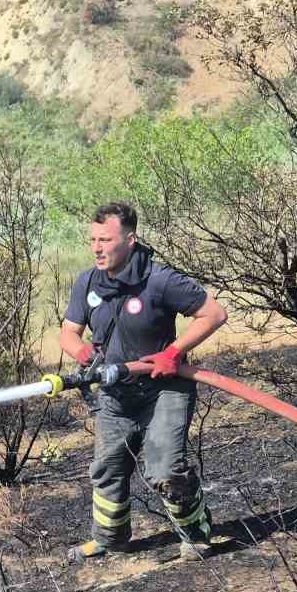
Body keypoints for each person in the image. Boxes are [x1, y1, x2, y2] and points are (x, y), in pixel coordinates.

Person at [57, 202, 228, 569]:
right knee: (108, 469)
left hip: (162, 389)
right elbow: (68, 334)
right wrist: (85, 354)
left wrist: (175, 351)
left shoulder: (160, 279)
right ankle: (110, 540)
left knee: (166, 469)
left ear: (130, 240)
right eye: (93, 240)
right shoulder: (87, 281)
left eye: (106, 239)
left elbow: (214, 314)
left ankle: (195, 535)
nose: (97, 248)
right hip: (115, 395)